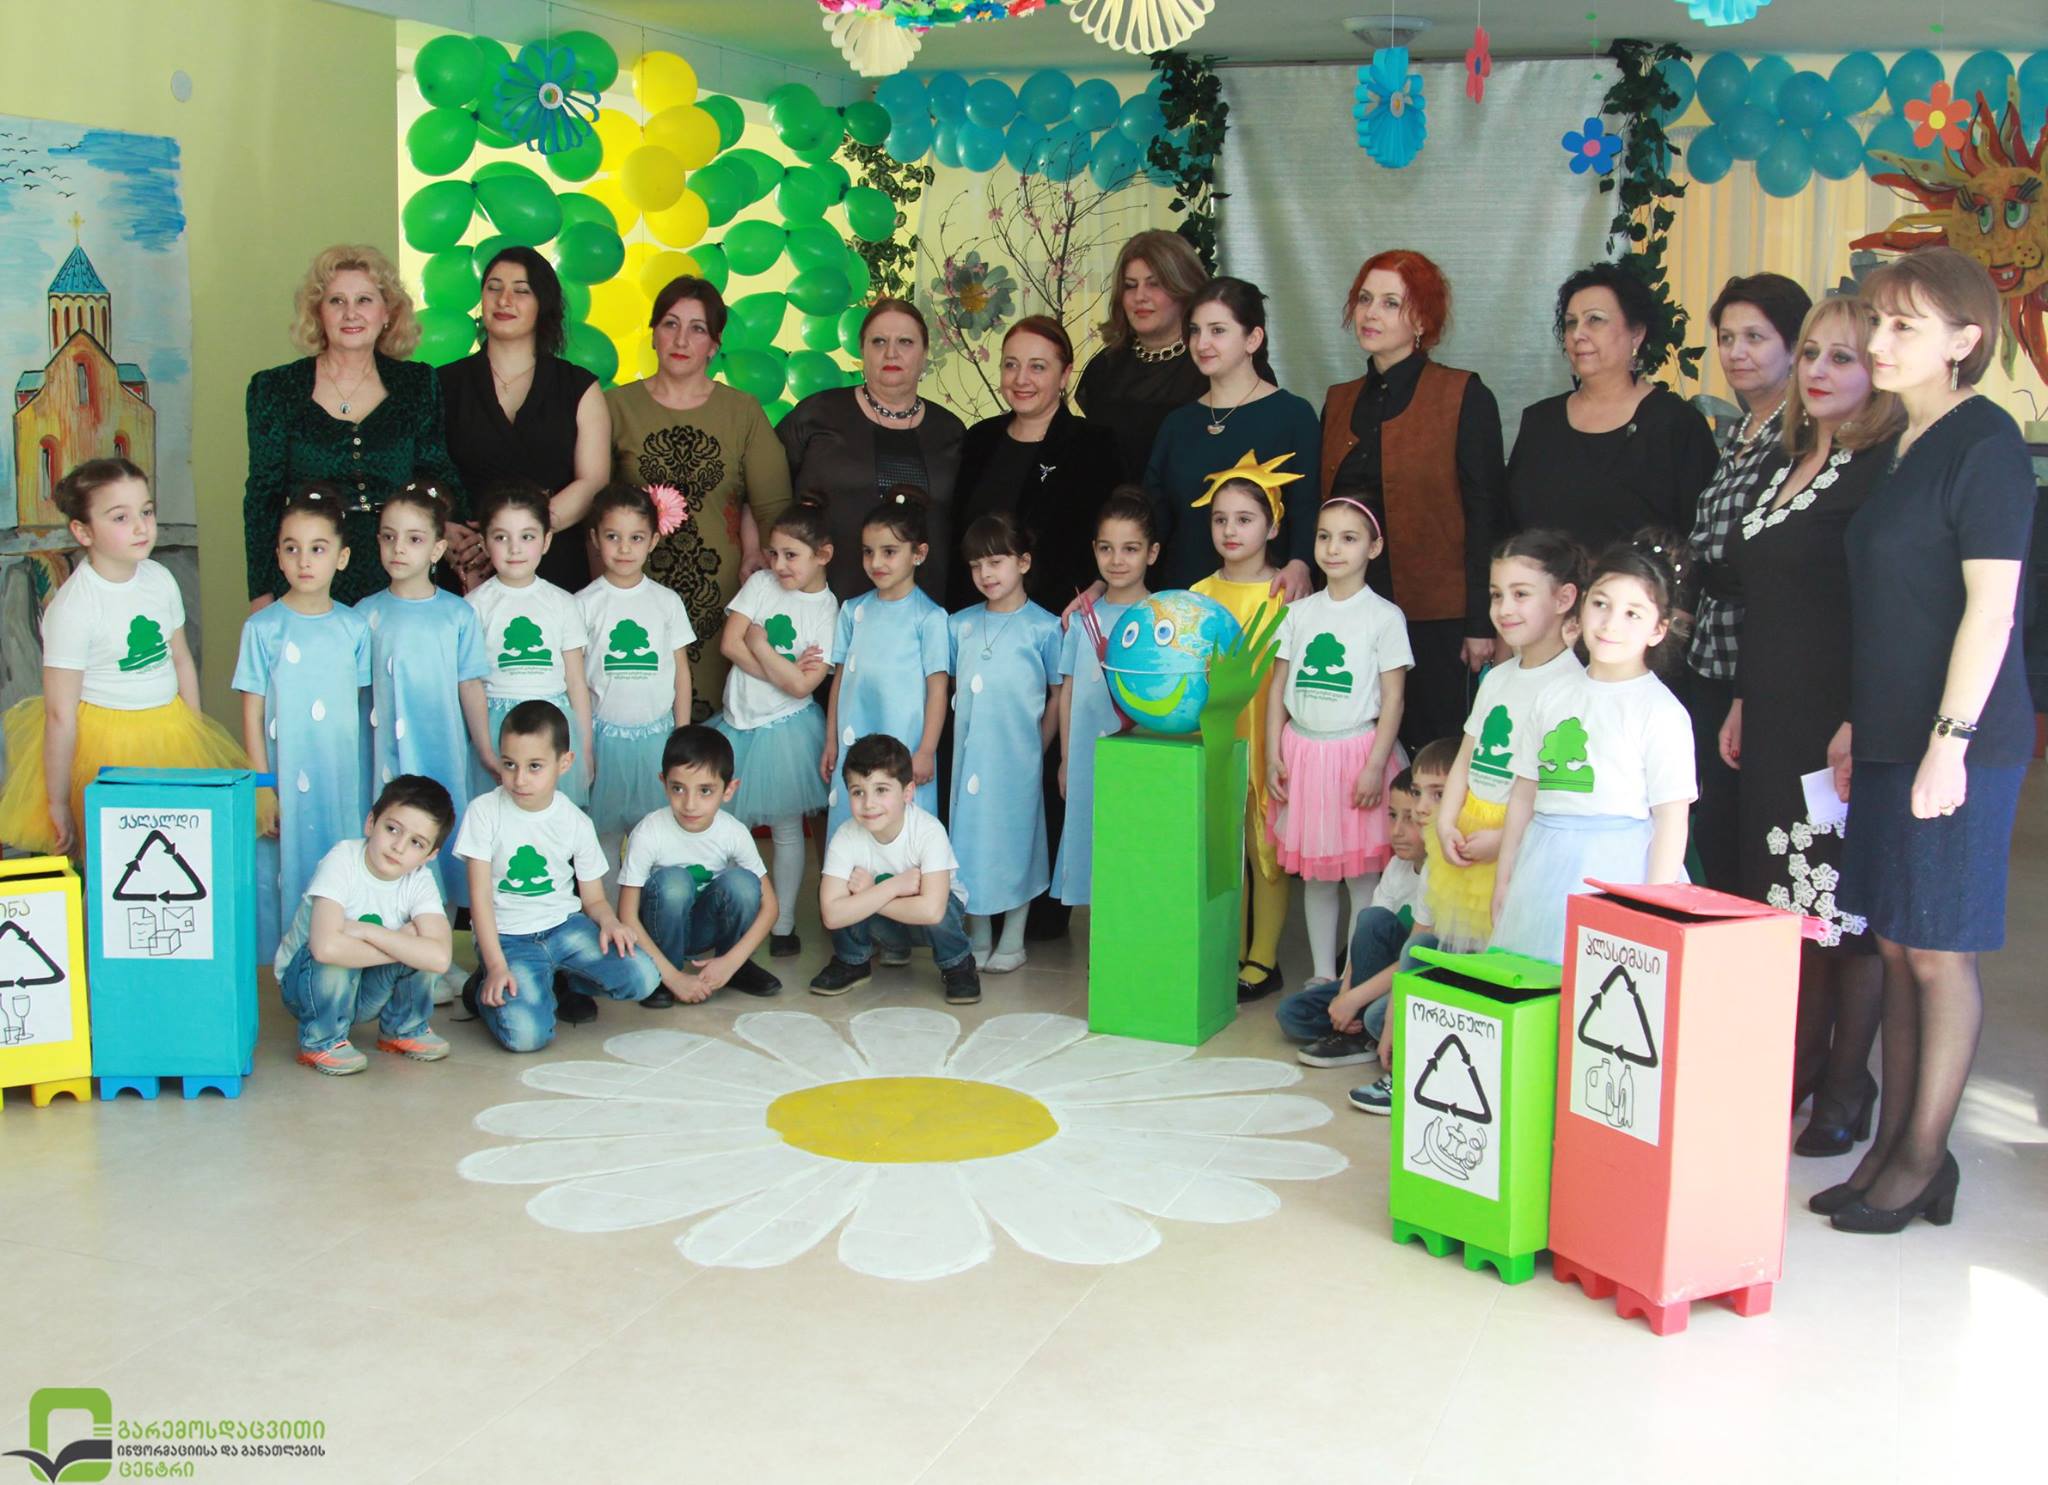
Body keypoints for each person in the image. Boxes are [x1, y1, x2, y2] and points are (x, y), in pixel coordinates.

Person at [1818, 248, 2036, 1234]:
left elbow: (1990, 609)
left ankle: (1917, 1161)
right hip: (1892, 731)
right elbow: (1895, 604)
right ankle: (1891, 1151)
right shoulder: (1901, 440)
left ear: (1965, 340)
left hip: (1961, 741)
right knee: (1899, 942)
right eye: (1876, 319)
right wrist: (1858, 719)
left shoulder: (1985, 441)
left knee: (1938, 951)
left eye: (1903, 325)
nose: (1878, 339)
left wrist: (1949, 742)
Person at [1721, 296, 1900, 1158]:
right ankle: (1801, 1062)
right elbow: (1768, 597)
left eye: (1844, 357)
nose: (1821, 371)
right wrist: (1744, 696)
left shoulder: (1882, 470)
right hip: (1773, 708)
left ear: (1879, 372)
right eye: (1814, 355)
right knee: (1787, 906)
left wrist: (1862, 716)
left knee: (1841, 911)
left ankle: (1847, 1084)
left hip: (1837, 717)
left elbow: (1888, 607)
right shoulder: (1787, 458)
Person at [0, 460, 252, 855]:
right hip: (105, 745)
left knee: (176, 846)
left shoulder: (160, 579)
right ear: (83, 531)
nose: (141, 527)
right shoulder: (74, 608)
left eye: (146, 512)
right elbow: (60, 714)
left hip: (170, 730)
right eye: (121, 517)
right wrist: (57, 800)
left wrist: (195, 730)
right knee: (116, 855)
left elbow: (181, 660)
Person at [1320, 250, 1509, 750]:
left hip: (1436, 620)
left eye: (1390, 303)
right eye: (1364, 299)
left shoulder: (1463, 394)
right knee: (1353, 749)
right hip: (1350, 613)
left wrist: (1481, 621)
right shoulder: (1338, 400)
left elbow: (1486, 515)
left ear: (1422, 320)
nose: (1370, 313)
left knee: (1432, 757)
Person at [1490, 537, 1698, 965]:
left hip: (1616, 873)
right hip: (1541, 868)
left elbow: (1671, 819)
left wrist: (1653, 906)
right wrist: (1505, 876)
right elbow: (1524, 793)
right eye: (1601, 604)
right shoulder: (1553, 694)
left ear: (1658, 629)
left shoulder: (1661, 711)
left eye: (1632, 613)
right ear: (1582, 605)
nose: (1610, 624)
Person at [607, 276, 794, 715]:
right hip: (633, 590)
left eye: (697, 329)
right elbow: (596, 510)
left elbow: (772, 508)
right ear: (653, 333)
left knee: (713, 733)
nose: (681, 340)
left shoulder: (742, 411)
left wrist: (758, 560)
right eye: (670, 324)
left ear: (714, 344)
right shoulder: (614, 407)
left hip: (722, 595)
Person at [1682, 272, 1813, 891]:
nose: (1736, 351)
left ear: (1794, 346)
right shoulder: (1742, 428)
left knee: (1752, 825)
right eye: (1727, 337)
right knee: (1714, 818)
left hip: (1762, 649)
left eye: (1755, 337)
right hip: (1712, 646)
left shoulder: (1804, 434)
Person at [244, 244, 463, 607]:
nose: (351, 313)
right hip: (311, 573)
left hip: (398, 570)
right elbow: (262, 498)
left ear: (387, 312)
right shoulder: (276, 389)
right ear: (318, 312)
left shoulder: (417, 384)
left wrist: (457, 525)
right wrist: (260, 593)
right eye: (336, 301)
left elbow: (436, 472)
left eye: (364, 300)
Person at [457, 700, 661, 1051]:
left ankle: (557, 980)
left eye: (534, 766)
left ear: (564, 763)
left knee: (643, 977)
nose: (519, 779)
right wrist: (496, 965)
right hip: (508, 937)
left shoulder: (575, 821)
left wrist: (610, 922)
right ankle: (485, 989)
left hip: (564, 928)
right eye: (509, 764)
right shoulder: (484, 812)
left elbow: (593, 899)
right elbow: (480, 901)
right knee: (526, 1037)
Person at [1265, 497, 1412, 984]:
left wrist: (1375, 765)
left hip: (1357, 756)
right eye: (1324, 536)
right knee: (1317, 875)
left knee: (1361, 877)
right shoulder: (1298, 613)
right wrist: (1272, 753)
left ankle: (1354, 975)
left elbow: (1393, 700)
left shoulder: (1385, 617)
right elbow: (1277, 689)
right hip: (1304, 755)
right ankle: (1323, 976)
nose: (1333, 548)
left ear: (1374, 547)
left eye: (1349, 538)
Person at [1430, 531, 1586, 953]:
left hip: (1521, 850)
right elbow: (1466, 757)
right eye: (1497, 595)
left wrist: (1503, 842)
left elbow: (1557, 795)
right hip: (1469, 838)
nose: (1504, 609)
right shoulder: (1497, 677)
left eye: (1521, 594)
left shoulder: (1573, 690)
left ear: (1564, 598)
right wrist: (1446, 822)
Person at [234, 485, 372, 944]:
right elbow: (252, 713)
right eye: (292, 549)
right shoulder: (262, 628)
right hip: (286, 777)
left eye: (318, 548)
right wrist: (264, 787)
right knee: (286, 870)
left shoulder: (354, 627)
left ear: (342, 557)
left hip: (339, 778)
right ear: (278, 556)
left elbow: (361, 713)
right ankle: (288, 965)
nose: (304, 561)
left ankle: (339, 954)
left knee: (339, 864)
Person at [1506, 261, 1718, 556]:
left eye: (1595, 320)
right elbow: (1511, 528)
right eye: (1571, 322)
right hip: (1546, 585)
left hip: (1641, 585)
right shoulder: (1540, 421)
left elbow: (1699, 539)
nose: (1578, 334)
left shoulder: (1676, 423)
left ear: (1636, 334)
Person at [356, 482, 495, 927]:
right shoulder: (363, 615)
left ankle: (435, 943)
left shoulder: (457, 614)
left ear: (437, 549)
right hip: (383, 755)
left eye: (414, 539)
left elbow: (470, 685)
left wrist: (486, 749)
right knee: (390, 837)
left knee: (437, 840)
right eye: (389, 536)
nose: (399, 548)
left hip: (440, 752)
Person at [1189, 457, 1298, 1001]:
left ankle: (1264, 957)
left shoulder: (1286, 595)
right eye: (1220, 519)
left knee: (1264, 847)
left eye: (1245, 519)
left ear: (1272, 527)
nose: (1230, 530)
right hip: (1216, 737)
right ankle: (1227, 949)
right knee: (1222, 844)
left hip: (1265, 736)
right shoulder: (1198, 593)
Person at [440, 246, 610, 591]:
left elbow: (592, 481)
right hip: (467, 565)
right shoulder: (444, 383)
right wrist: (442, 530)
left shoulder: (579, 386)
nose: (504, 300)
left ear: (542, 304)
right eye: (494, 287)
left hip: (553, 566)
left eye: (521, 290)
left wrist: (518, 534)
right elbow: (422, 472)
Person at [714, 499, 839, 958]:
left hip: (787, 731)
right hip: (737, 723)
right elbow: (730, 644)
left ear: (822, 555)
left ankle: (783, 922)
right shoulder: (761, 584)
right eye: (773, 553)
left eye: (792, 555)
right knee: (728, 829)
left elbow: (805, 685)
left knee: (787, 830)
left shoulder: (827, 609)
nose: (779, 564)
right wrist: (783, 672)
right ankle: (733, 918)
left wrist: (762, 645)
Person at [779, 297, 965, 602]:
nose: (891, 352)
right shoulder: (818, 414)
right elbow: (763, 493)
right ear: (862, 350)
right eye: (879, 341)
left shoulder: (950, 430)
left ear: (924, 353)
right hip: (822, 606)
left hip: (923, 613)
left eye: (905, 342)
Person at [1145, 278, 1322, 595]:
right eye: (1195, 330)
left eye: (1217, 330)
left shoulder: (1294, 415)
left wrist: (1301, 563)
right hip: (1185, 602)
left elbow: (1307, 505)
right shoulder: (1177, 425)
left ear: (1253, 339)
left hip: (1266, 600)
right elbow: (1152, 518)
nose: (1202, 343)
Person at [272, 775, 456, 1075]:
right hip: (307, 989)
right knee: (346, 956)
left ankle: (404, 1029)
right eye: (392, 829)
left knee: (423, 951)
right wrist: (402, 944)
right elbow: (325, 948)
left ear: (430, 855)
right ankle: (321, 1041)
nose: (398, 847)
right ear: (371, 823)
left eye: (416, 843)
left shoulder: (419, 880)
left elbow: (439, 957)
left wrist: (367, 931)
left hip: (366, 989)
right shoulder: (342, 859)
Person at [948, 514, 1063, 973]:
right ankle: (977, 935)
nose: (986, 574)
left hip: (1018, 757)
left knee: (1018, 839)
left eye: (996, 562)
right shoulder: (959, 625)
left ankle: (1013, 938)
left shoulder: (1045, 628)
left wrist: (1039, 744)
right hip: (969, 759)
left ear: (1023, 562)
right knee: (969, 839)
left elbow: (1058, 693)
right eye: (976, 565)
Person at [950, 315, 1125, 614]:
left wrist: (1100, 584)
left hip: (1060, 617)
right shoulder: (979, 439)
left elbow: (1119, 531)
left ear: (1064, 374)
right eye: (1011, 365)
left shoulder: (1093, 445)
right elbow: (957, 534)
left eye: (1037, 367)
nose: (1021, 379)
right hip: (974, 618)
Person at [810, 732, 981, 1005]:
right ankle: (853, 961)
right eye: (858, 792)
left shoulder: (928, 831)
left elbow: (932, 911)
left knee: (944, 906)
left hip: (929, 923)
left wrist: (870, 895)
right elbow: (831, 915)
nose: (869, 803)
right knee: (836, 891)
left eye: (881, 790)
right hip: (886, 922)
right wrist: (892, 887)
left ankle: (957, 964)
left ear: (907, 793)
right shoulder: (846, 836)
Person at [617, 725, 783, 1004]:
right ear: (663, 783)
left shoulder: (734, 832)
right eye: (678, 788)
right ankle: (661, 973)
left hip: (703, 928)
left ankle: (736, 970)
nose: (690, 804)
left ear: (729, 790)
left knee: (744, 884)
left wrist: (732, 961)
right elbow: (627, 915)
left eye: (705, 790)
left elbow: (771, 908)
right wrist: (674, 977)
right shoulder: (649, 831)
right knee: (675, 882)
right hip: (660, 928)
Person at [820, 490, 950, 844]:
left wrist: (926, 750)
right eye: (868, 551)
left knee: (902, 835)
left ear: (918, 553)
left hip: (904, 744)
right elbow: (840, 681)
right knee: (852, 828)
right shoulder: (853, 611)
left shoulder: (930, 618)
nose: (876, 561)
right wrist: (831, 740)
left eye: (889, 551)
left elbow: (937, 690)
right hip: (853, 738)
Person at [1339, 738, 1460, 1115]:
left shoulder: (1461, 857)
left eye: (1438, 794)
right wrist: (1349, 993)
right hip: (1409, 977)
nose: (1422, 808)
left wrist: (1367, 1005)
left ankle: (1408, 1067)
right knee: (1305, 1011)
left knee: (1377, 1015)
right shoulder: (1421, 864)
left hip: (1455, 980)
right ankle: (1367, 1025)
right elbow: (1411, 952)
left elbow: (1424, 952)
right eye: (1419, 793)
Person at [1275, 768, 1428, 1059]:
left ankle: (1358, 1030)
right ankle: (1355, 1025)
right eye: (1392, 816)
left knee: (1374, 921)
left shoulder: (1439, 878)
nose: (1397, 830)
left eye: (1410, 818)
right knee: (1291, 1013)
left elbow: (1412, 961)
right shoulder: (1397, 867)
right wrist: (1345, 994)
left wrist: (1354, 998)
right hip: (1374, 979)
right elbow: (1362, 946)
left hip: (1406, 982)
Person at [1053, 492, 1159, 910]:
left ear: (1152, 553)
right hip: (1086, 756)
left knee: (1133, 844)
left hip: (1139, 758)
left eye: (1130, 549)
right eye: (1106, 548)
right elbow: (1069, 692)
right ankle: (1099, 937)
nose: (1117, 560)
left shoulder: (1161, 617)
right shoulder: (1082, 620)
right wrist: (1066, 758)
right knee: (1091, 843)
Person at [576, 484, 697, 846]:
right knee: (604, 836)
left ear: (653, 541)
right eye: (613, 536)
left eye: (636, 538)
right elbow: (575, 679)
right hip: (604, 740)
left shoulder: (666, 601)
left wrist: (681, 732)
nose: (625, 548)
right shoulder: (583, 603)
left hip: (656, 739)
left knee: (654, 835)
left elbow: (681, 673)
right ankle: (608, 888)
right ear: (595, 539)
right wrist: (583, 743)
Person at [466, 485, 593, 808]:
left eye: (527, 536)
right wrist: (485, 750)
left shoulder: (563, 603)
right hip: (498, 726)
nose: (514, 549)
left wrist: (585, 748)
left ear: (546, 541)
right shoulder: (473, 607)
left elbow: (576, 682)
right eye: (501, 537)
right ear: (484, 542)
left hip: (552, 725)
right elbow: (470, 683)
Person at [1075, 229, 1209, 481]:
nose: (1140, 297)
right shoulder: (1105, 368)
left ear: (1184, 289)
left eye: (1154, 284)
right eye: (1130, 286)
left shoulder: (1215, 365)